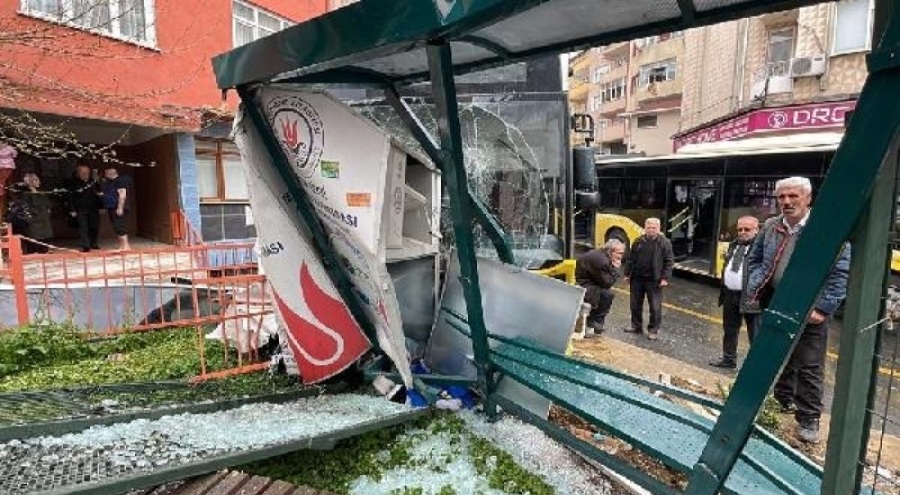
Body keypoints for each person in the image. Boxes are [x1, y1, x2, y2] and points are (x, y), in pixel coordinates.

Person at [745, 176, 850, 444]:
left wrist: (823, 308)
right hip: (775, 301)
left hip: (809, 308)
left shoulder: (825, 228)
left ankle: (809, 417)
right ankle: (779, 399)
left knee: (810, 364)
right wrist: (756, 285)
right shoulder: (771, 226)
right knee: (773, 352)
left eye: (793, 196)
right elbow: (755, 259)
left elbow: (840, 273)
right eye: (781, 197)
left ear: (808, 198)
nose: (787, 202)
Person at [710, 215, 760, 369]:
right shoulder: (734, 245)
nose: (742, 232)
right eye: (739, 229)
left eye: (747, 229)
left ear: (756, 230)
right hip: (730, 295)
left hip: (752, 297)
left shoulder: (761, 247)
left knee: (755, 334)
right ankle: (728, 359)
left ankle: (756, 367)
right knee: (730, 330)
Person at [623, 218, 674, 340]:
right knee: (635, 304)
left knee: (655, 307)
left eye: (653, 228)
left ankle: (653, 330)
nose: (651, 230)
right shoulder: (638, 241)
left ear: (658, 229)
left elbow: (669, 262)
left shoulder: (664, 243)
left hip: (654, 280)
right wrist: (627, 274)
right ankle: (636, 326)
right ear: (645, 228)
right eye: (648, 227)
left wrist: (665, 278)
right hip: (637, 279)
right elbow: (630, 259)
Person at [575, 239, 625, 337]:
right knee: (607, 295)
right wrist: (616, 269)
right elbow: (607, 283)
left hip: (588, 280)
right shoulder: (603, 262)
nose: (621, 256)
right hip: (586, 284)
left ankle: (597, 324)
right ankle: (594, 322)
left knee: (605, 293)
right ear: (610, 251)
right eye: (619, 253)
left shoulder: (601, 254)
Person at [11, 173, 54, 254]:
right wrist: (31, 217)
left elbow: (48, 204)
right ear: (30, 182)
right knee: (34, 242)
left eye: (37, 180)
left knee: (45, 241)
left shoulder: (41, 192)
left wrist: (48, 211)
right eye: (35, 180)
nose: (38, 182)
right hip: (33, 221)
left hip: (44, 220)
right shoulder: (25, 193)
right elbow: (24, 206)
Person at [66, 164, 101, 252]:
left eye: (87, 172)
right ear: (78, 173)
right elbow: (69, 197)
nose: (85, 174)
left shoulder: (93, 182)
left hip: (93, 209)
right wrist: (72, 209)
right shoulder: (73, 183)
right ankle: (86, 245)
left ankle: (94, 243)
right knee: (83, 228)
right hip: (80, 209)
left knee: (94, 227)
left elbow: (99, 194)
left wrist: (101, 207)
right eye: (82, 172)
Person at [100, 166, 132, 251]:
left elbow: (122, 195)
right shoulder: (110, 182)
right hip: (112, 207)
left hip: (118, 207)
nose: (105, 174)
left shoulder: (120, 181)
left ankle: (126, 246)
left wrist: (120, 208)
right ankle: (122, 246)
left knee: (119, 226)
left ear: (111, 172)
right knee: (116, 226)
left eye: (106, 172)